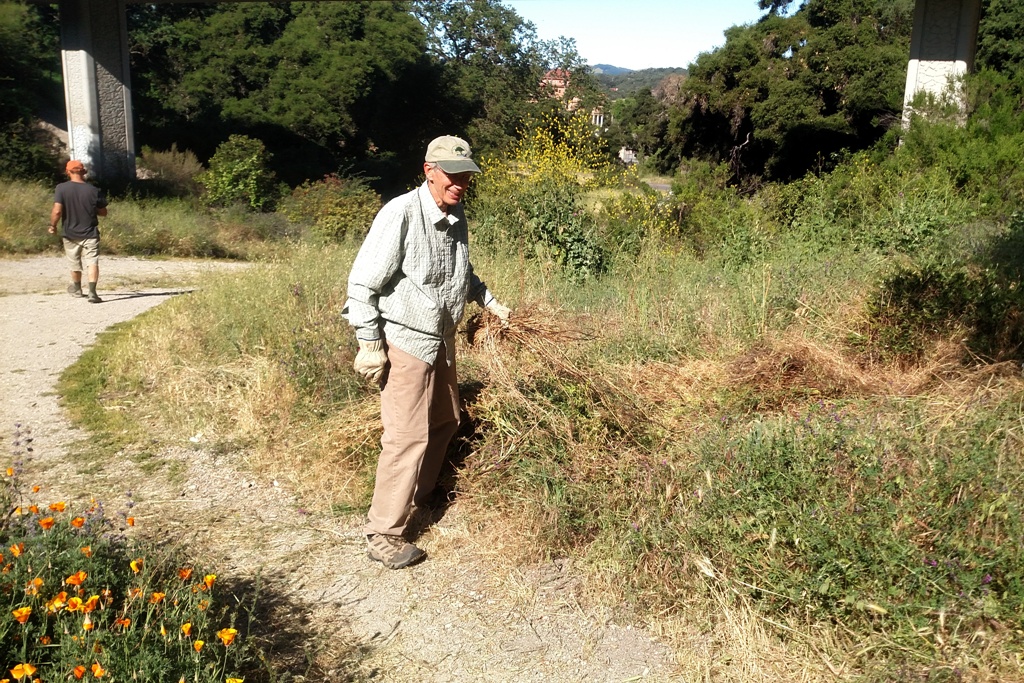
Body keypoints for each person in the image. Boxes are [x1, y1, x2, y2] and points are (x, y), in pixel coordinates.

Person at [343, 135, 511, 570]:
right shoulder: (399, 214)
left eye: (465, 176)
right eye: (452, 176)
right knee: (406, 436)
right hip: (406, 341)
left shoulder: (456, 216)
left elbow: (463, 272)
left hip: (441, 339)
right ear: (428, 171)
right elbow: (362, 284)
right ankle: (383, 532)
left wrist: (491, 303)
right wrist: (369, 343)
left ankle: (420, 495)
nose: (460, 184)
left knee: (446, 419)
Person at [48, 159, 108, 303]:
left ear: (68, 172)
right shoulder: (94, 190)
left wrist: (52, 225)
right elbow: (103, 212)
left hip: (70, 233)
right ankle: (93, 293)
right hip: (90, 233)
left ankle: (77, 289)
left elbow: (57, 211)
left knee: (74, 262)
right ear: (83, 172)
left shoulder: (61, 188)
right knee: (92, 262)